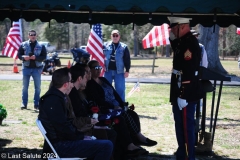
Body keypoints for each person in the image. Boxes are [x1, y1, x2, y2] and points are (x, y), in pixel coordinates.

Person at [38, 67, 113, 160]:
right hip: (60, 146)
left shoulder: (58, 98)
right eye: (70, 81)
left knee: (102, 142)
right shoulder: (53, 100)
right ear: (65, 84)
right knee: (106, 146)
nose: (72, 85)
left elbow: (65, 126)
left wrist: (81, 136)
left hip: (64, 141)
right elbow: (62, 128)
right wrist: (81, 137)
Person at [86, 60, 157, 147]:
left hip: (116, 105)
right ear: (90, 70)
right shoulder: (90, 84)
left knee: (133, 114)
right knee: (123, 116)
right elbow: (98, 100)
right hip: (107, 108)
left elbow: (114, 93)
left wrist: (121, 104)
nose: (99, 70)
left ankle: (136, 141)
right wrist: (114, 106)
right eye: (96, 68)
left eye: (100, 67)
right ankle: (134, 141)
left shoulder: (103, 79)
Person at [168, 17, 203, 160]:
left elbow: (189, 70)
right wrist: (171, 35)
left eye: (174, 29)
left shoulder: (189, 42)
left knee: (186, 126)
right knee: (179, 124)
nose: (172, 32)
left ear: (182, 27)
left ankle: (189, 157)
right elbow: (175, 46)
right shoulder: (182, 41)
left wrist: (183, 94)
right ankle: (182, 153)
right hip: (179, 89)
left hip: (186, 92)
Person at [17, 30, 47, 110]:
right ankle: (24, 103)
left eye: (34, 34)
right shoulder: (23, 44)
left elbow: (44, 57)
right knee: (25, 87)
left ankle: (36, 104)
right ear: (28, 36)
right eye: (31, 34)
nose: (33, 36)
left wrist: (36, 58)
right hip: (26, 68)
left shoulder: (41, 45)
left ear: (36, 35)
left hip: (37, 69)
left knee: (37, 87)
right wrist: (23, 57)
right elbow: (19, 54)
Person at [103, 29, 131, 102]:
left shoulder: (124, 47)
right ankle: (108, 105)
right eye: (113, 35)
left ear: (119, 37)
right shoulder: (105, 46)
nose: (115, 37)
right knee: (106, 89)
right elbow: (100, 56)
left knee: (120, 89)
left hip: (119, 72)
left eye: (116, 35)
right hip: (107, 71)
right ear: (111, 36)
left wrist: (127, 70)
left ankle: (121, 105)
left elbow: (127, 59)